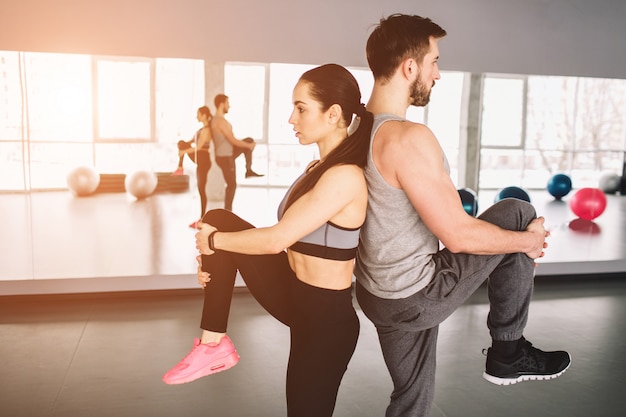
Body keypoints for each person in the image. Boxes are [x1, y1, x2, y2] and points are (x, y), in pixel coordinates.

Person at [353, 14, 571, 417]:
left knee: (412, 397)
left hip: (375, 294)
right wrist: (528, 241)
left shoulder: (354, 131)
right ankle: (508, 350)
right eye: (434, 61)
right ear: (410, 67)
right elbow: (458, 236)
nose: (438, 74)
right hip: (415, 295)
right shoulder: (407, 138)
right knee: (518, 212)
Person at [162, 63, 374, 417]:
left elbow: (277, 240)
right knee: (217, 218)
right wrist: (217, 261)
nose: (292, 119)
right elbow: (272, 241)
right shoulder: (315, 170)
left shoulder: (346, 178)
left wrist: (216, 245)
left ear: (334, 114)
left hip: (325, 319)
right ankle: (213, 344)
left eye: (301, 108)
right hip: (295, 293)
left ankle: (214, 342)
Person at [211, 93, 264, 211]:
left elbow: (231, 141)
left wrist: (247, 145)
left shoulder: (218, 120)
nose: (229, 106)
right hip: (225, 156)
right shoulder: (220, 122)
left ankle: (248, 170)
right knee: (231, 185)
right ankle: (227, 212)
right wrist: (249, 146)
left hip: (227, 154)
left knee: (249, 140)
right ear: (221, 104)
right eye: (227, 104)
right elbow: (233, 140)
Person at [172, 105, 213, 228]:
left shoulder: (207, 130)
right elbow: (189, 142)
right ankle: (180, 167)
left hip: (204, 159)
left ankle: (203, 219)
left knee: (201, 189)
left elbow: (199, 147)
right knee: (181, 143)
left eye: (198, 114)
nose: (197, 116)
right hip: (199, 158)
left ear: (205, 115)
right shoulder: (200, 130)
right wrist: (182, 146)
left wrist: (183, 152)